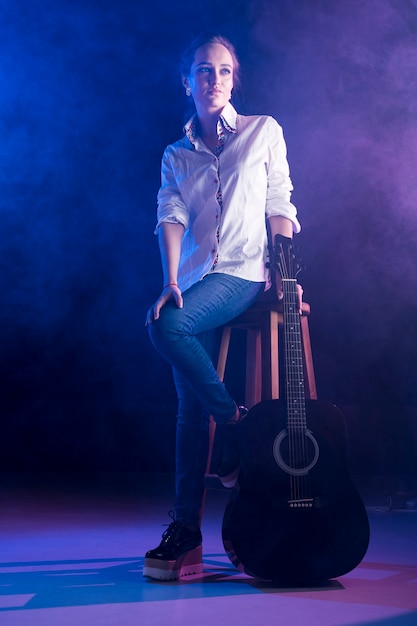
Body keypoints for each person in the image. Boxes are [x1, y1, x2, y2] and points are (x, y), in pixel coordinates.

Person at [144, 31, 301, 581]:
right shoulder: (176, 154)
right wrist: (169, 279)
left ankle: (232, 427)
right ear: (185, 81)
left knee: (167, 329)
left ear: (235, 78)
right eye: (203, 71)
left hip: (241, 273)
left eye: (224, 71)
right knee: (188, 403)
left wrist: (284, 273)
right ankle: (186, 531)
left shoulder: (262, 132)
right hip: (192, 279)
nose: (214, 81)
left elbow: (280, 200)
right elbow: (170, 216)